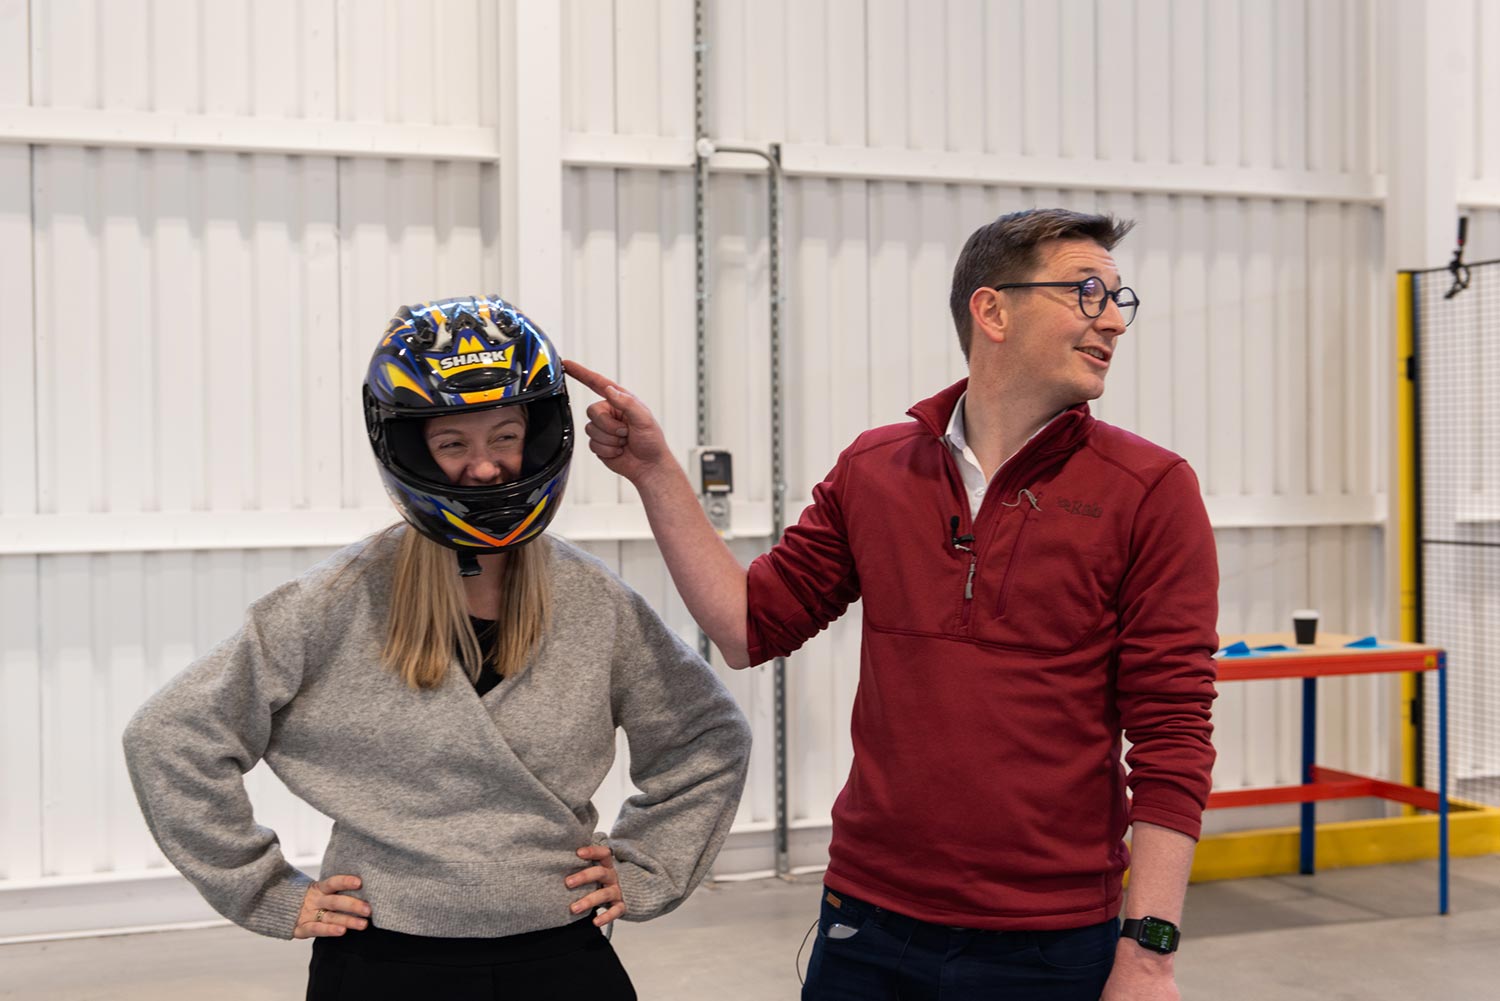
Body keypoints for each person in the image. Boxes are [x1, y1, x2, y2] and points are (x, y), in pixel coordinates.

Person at [566, 209, 1219, 1001]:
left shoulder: (1150, 491)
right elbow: (748, 625)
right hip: (868, 925)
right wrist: (655, 471)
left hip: (1049, 943)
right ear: (993, 310)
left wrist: (1148, 952)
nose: (1113, 319)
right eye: (1087, 292)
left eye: (1120, 298)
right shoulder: (877, 469)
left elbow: (1173, 734)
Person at [123, 296, 752, 1001]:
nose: (485, 468)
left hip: (559, 949)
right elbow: (169, 737)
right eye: (454, 444)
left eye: (505, 436)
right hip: (382, 960)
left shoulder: (592, 600)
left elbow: (707, 733)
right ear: (412, 448)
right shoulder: (334, 602)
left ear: (539, 434)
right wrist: (264, 889)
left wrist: (650, 865)